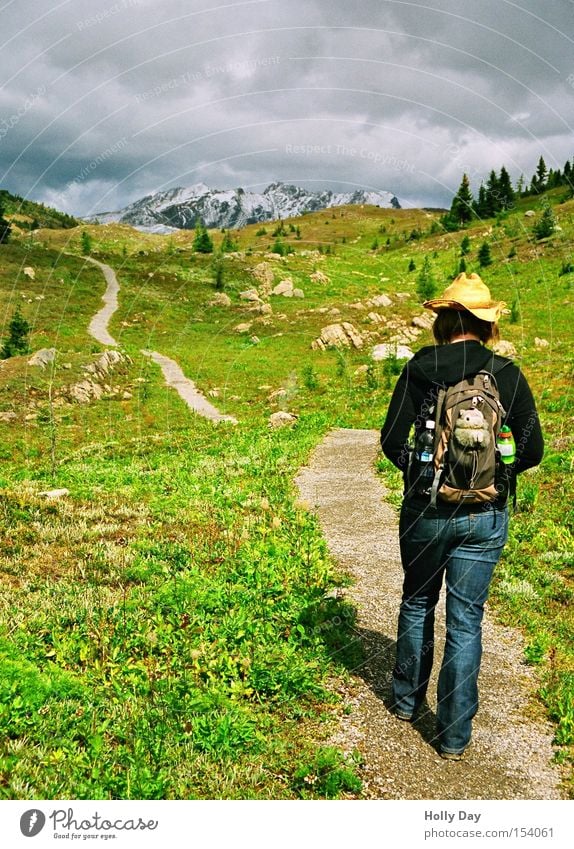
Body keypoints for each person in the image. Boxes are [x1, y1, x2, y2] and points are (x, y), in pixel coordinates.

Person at [380, 272, 543, 760]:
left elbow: (391, 440)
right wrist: (496, 472)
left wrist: (423, 472)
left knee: (416, 603)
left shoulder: (421, 366)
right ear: (485, 322)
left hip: (426, 512)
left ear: (444, 320)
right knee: (466, 621)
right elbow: (531, 449)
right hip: (487, 514)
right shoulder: (507, 374)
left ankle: (407, 703)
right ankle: (453, 737)